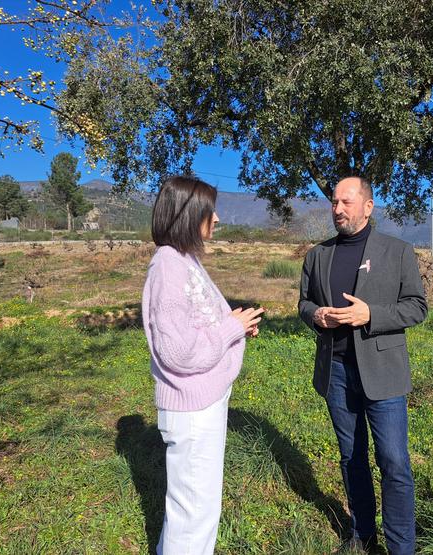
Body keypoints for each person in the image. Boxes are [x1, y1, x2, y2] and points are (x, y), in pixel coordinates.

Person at [298, 176, 428, 555]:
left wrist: (370, 313)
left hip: (383, 374)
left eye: (346, 202)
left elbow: (417, 307)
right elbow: (303, 304)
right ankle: (363, 534)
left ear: (368, 207)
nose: (337, 209)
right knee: (351, 456)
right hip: (336, 372)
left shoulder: (398, 252)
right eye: (334, 202)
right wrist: (316, 315)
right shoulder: (317, 255)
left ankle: (402, 547)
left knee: (393, 461)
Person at [142, 175, 264, 555]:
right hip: (192, 408)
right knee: (194, 511)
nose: (217, 219)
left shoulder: (184, 260)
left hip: (201, 403)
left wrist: (235, 328)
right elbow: (177, 351)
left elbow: (195, 323)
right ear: (190, 215)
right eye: (210, 211)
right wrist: (230, 327)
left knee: (193, 508)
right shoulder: (168, 266)